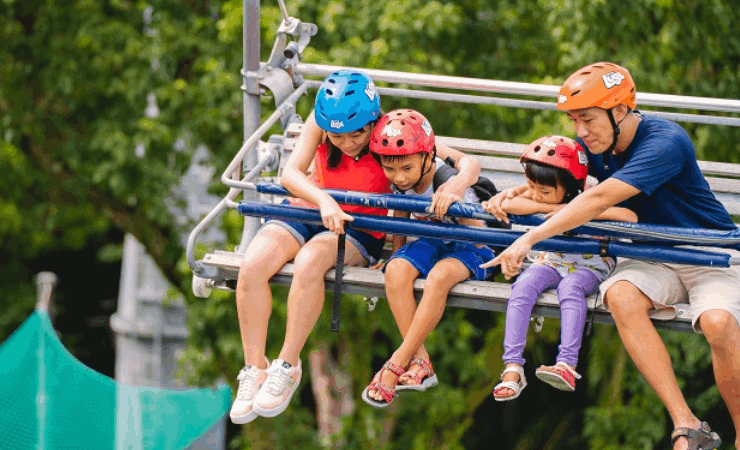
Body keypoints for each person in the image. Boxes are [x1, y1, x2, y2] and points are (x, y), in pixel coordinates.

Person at [482, 62, 740, 450]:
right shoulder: (593, 146)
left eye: (588, 120)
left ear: (619, 111)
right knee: (620, 296)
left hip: (714, 252)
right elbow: (560, 181)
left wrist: (530, 237)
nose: (580, 132)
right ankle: (686, 423)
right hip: (653, 255)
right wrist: (516, 193)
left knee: (716, 322)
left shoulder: (664, 141)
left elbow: (597, 198)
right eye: (574, 121)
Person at [230, 71, 480, 424]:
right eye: (337, 135)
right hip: (313, 208)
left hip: (358, 229)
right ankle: (254, 367)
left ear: (372, 120)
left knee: (310, 261)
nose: (347, 143)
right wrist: (323, 201)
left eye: (356, 133)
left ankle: (287, 365)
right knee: (252, 265)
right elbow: (290, 174)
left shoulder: (390, 133)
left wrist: (456, 187)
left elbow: (466, 163)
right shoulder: (320, 125)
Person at [485, 135, 636, 401]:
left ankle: (566, 363)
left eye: (543, 191)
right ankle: (512, 367)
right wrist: (547, 202)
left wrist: (577, 210)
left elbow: (628, 215)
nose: (535, 194)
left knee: (570, 288)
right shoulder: (541, 188)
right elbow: (509, 205)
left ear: (570, 186)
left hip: (592, 263)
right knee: (522, 285)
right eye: (531, 186)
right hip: (553, 259)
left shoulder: (593, 191)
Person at [361, 109, 487, 407]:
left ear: (427, 159)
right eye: (391, 170)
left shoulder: (444, 175)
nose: (399, 177)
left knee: (439, 277)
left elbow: (480, 234)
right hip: (431, 240)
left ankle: (397, 361)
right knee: (395, 271)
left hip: (469, 245)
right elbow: (401, 215)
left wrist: (455, 193)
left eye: (407, 168)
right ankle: (421, 362)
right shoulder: (399, 177)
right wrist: (394, 255)